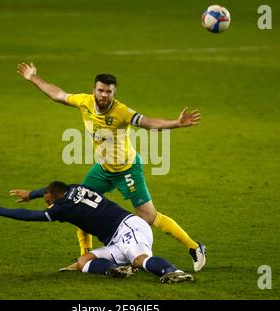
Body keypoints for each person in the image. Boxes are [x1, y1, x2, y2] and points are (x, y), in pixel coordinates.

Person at [16, 63, 206, 272]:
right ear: (94, 91)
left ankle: (195, 247)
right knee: (77, 204)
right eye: (101, 90)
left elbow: (148, 122)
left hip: (127, 170)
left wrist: (176, 123)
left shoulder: (121, 111)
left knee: (149, 217)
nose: (104, 95)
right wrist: (34, 78)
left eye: (109, 91)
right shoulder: (85, 102)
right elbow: (58, 95)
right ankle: (83, 257)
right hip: (102, 170)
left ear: (114, 93)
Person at [0, 181, 194, 284]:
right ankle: (117, 270)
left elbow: (31, 216)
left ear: (54, 199)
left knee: (139, 259)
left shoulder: (62, 208)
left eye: (48, 201)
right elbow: (51, 189)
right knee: (84, 261)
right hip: (115, 239)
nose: (47, 204)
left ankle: (173, 271)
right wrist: (32, 193)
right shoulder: (74, 187)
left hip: (129, 227)